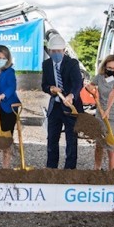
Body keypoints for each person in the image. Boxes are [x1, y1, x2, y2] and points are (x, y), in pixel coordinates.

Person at [41, 34, 83, 169]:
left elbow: (78, 83)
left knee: (71, 139)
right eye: (54, 51)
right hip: (55, 106)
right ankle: (51, 168)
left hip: (70, 107)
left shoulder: (72, 63)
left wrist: (71, 95)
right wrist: (51, 89)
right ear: (49, 51)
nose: (57, 54)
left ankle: (69, 170)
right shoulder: (46, 65)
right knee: (52, 139)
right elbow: (44, 85)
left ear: (64, 51)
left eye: (59, 51)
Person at [85, 55, 114, 171]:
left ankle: (113, 174)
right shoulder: (100, 77)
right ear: (105, 67)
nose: (112, 70)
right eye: (109, 67)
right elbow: (90, 86)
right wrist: (91, 90)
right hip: (100, 114)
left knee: (112, 147)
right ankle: (97, 169)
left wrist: (107, 110)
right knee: (99, 144)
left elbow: (113, 93)